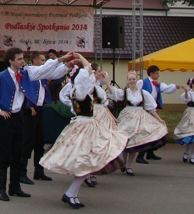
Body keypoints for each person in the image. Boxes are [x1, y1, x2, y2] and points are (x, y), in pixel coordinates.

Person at [0, 47, 72, 202]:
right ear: (11, 61)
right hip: (7, 118)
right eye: (19, 59)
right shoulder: (0, 77)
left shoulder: (26, 73)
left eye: (23, 58)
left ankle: (14, 186)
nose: (23, 61)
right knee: (5, 153)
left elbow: (45, 70)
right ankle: (1, 188)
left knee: (17, 152)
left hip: (19, 116)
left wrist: (62, 60)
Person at [40, 56, 128, 209]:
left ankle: (71, 194)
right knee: (86, 161)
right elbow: (86, 75)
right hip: (84, 126)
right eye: (89, 74)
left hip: (87, 125)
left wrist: (84, 62)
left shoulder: (85, 91)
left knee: (87, 162)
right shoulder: (80, 92)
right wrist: (83, 63)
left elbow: (90, 76)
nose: (92, 75)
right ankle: (70, 194)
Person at [109, 71, 168, 176]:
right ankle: (124, 161)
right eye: (130, 79)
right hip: (127, 116)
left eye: (133, 79)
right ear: (128, 80)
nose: (132, 81)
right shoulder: (124, 92)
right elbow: (113, 93)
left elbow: (151, 108)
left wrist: (159, 119)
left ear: (137, 80)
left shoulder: (143, 93)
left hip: (139, 117)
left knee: (136, 141)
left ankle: (129, 166)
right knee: (125, 141)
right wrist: (106, 81)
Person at [19, 51, 53, 185]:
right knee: (28, 140)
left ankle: (39, 170)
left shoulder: (42, 75)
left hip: (39, 109)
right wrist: (29, 106)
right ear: (35, 61)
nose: (44, 63)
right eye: (42, 60)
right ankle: (22, 172)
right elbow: (25, 90)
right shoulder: (29, 73)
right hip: (30, 110)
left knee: (40, 141)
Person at [135, 65, 180, 163]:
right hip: (144, 111)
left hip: (152, 111)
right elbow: (135, 91)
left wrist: (175, 87)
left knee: (155, 131)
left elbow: (167, 89)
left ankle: (150, 152)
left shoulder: (158, 85)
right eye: (156, 73)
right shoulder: (142, 82)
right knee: (146, 132)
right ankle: (140, 155)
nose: (158, 75)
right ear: (151, 73)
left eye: (158, 73)